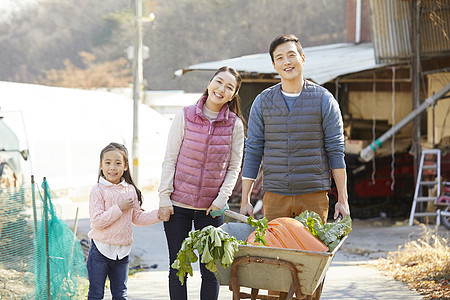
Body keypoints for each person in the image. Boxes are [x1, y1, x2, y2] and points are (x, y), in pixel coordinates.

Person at [239, 34, 350, 299]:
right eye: (280, 58)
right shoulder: (263, 102)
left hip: (313, 199)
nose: (287, 61)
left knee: (309, 267)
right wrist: (244, 199)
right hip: (275, 197)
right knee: (274, 267)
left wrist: (343, 200)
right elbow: (253, 150)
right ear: (274, 66)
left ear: (302, 58)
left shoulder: (324, 100)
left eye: (291, 55)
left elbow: (336, 151)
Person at [158, 66, 245, 300]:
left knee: (211, 270)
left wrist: (221, 200)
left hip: (211, 208)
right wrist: (164, 197)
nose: (221, 89)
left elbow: (234, 166)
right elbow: (170, 158)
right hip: (178, 207)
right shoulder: (185, 115)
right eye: (219, 82)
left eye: (229, 87)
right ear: (209, 83)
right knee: (178, 268)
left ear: (233, 95)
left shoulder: (235, 125)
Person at [87, 142, 170, 300]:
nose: (113, 167)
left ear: (125, 166)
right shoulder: (98, 190)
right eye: (108, 162)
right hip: (100, 250)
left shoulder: (130, 189)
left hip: (122, 252)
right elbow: (97, 222)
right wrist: (119, 207)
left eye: (118, 163)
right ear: (101, 165)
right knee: (96, 294)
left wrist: (159, 215)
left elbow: (137, 218)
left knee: (120, 295)